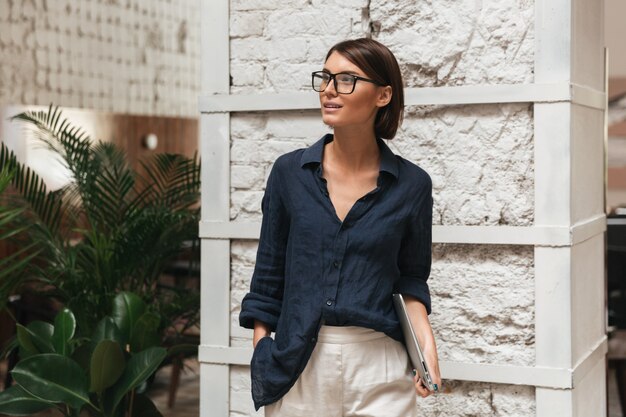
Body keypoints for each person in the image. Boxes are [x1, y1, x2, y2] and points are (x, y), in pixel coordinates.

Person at [239, 38, 441, 416]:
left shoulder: (413, 186)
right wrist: (263, 350)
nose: (329, 90)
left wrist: (426, 344)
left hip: (379, 364)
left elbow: (411, 279)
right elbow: (267, 277)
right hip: (299, 362)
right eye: (326, 78)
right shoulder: (288, 173)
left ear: (383, 95)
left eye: (347, 79)